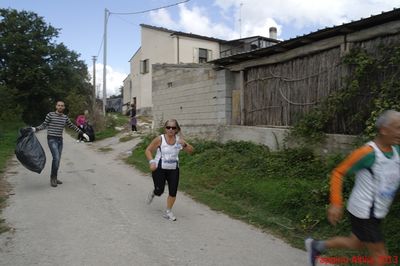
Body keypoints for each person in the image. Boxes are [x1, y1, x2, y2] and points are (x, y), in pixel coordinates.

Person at [305, 110, 400, 266]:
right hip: (364, 211)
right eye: (398, 128)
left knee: (356, 244)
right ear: (384, 129)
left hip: (378, 211)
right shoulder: (368, 153)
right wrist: (336, 203)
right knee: (381, 256)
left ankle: (316, 246)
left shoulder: (397, 151)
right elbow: (338, 172)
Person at [32, 100, 89, 187]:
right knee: (56, 157)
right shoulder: (50, 115)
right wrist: (35, 129)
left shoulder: (65, 117)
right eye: (59, 105)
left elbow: (72, 126)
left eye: (62, 106)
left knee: (57, 160)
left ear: (64, 107)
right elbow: (44, 125)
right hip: (51, 139)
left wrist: (83, 133)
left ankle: (54, 177)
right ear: (56, 106)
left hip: (60, 140)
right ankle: (53, 178)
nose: (60, 107)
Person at [145, 119, 193, 221]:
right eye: (168, 127)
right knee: (160, 191)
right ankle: (155, 192)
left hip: (173, 169)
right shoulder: (160, 139)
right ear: (165, 129)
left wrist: (184, 144)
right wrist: (151, 162)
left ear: (176, 129)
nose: (171, 129)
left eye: (173, 128)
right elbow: (148, 150)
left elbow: (191, 151)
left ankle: (168, 211)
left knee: (173, 191)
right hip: (159, 169)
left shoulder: (179, 140)